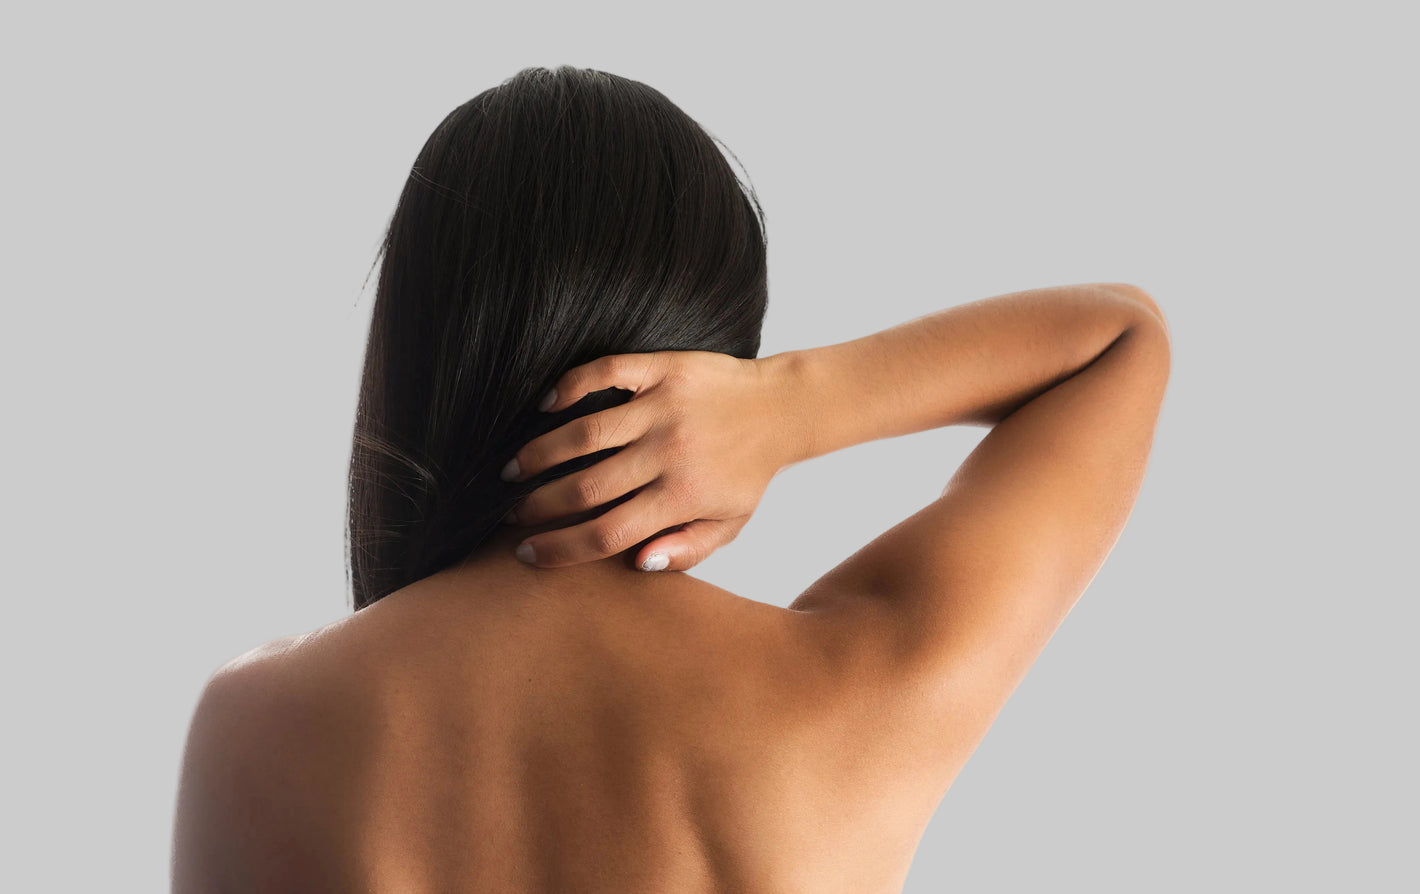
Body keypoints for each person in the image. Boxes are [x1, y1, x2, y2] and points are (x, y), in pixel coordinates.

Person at [172, 65, 1171, 893]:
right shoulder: (851, 688)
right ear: (718, 358)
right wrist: (793, 404)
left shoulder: (256, 726)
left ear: (422, 343)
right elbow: (1119, 340)